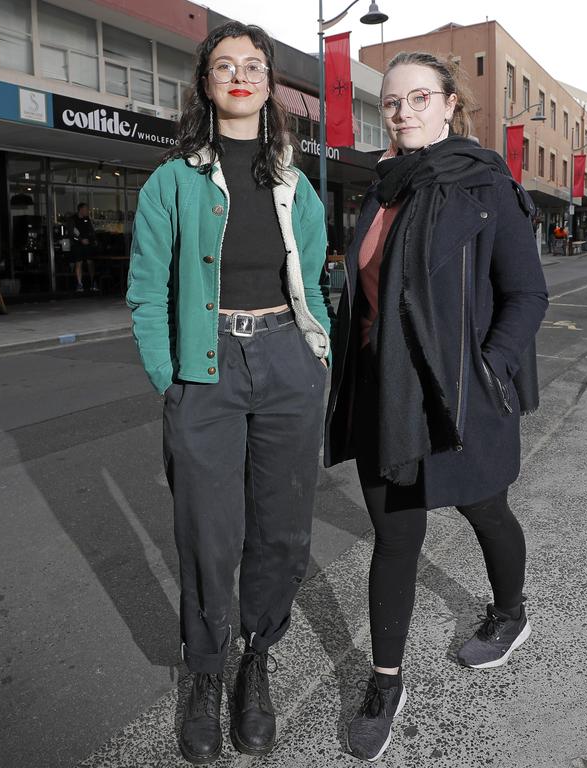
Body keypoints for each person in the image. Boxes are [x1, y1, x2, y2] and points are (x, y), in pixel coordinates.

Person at [323, 51, 548, 761]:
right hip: (384, 393)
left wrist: (490, 367)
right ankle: (386, 683)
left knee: (485, 509)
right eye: (392, 102)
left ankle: (510, 614)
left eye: (419, 98)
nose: (404, 112)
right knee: (395, 539)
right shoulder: (383, 188)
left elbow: (527, 294)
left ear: (450, 104)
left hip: (460, 392)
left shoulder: (484, 183)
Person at [127, 21, 331, 764]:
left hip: (286, 362)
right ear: (205, 84)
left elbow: (314, 282)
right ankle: (205, 673)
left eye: (254, 65)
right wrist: (170, 377)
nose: (240, 75)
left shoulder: (294, 184)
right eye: (225, 65)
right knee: (208, 534)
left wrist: (318, 358)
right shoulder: (170, 182)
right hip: (205, 371)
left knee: (281, 529)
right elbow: (147, 290)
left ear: (270, 84)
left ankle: (256, 663)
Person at [70, 202, 97, 292]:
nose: (87, 211)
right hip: (77, 245)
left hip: (88, 244)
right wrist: (81, 239)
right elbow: (72, 233)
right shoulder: (73, 219)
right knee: (79, 262)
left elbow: (91, 230)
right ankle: (79, 284)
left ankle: (93, 282)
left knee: (90, 262)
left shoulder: (87, 219)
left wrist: (93, 240)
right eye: (85, 209)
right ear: (80, 210)